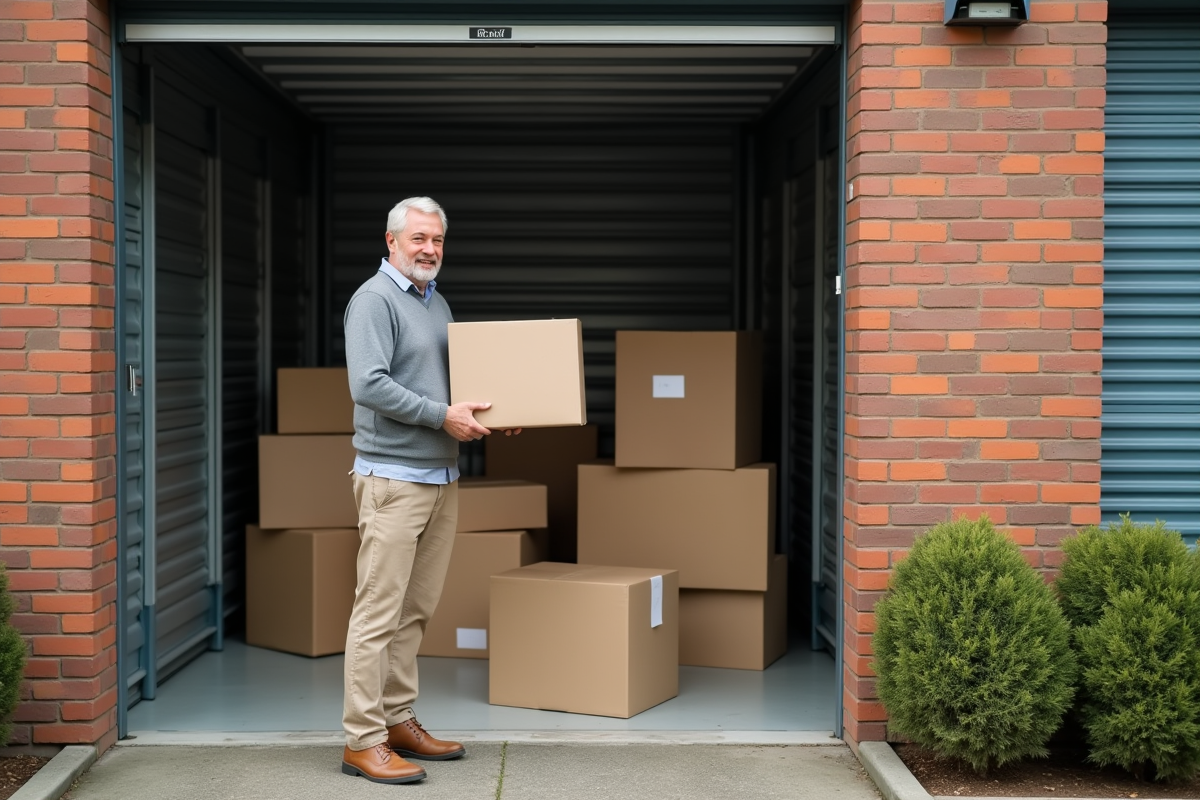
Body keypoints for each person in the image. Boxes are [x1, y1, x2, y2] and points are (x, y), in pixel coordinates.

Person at [339, 197, 510, 785]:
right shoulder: (374, 300)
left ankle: (397, 718)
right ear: (390, 241)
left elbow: (452, 385)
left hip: (439, 479)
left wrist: (500, 412)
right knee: (377, 613)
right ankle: (361, 740)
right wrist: (443, 417)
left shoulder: (435, 304)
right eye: (418, 239)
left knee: (415, 612)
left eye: (437, 240)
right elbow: (368, 384)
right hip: (392, 480)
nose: (429, 249)